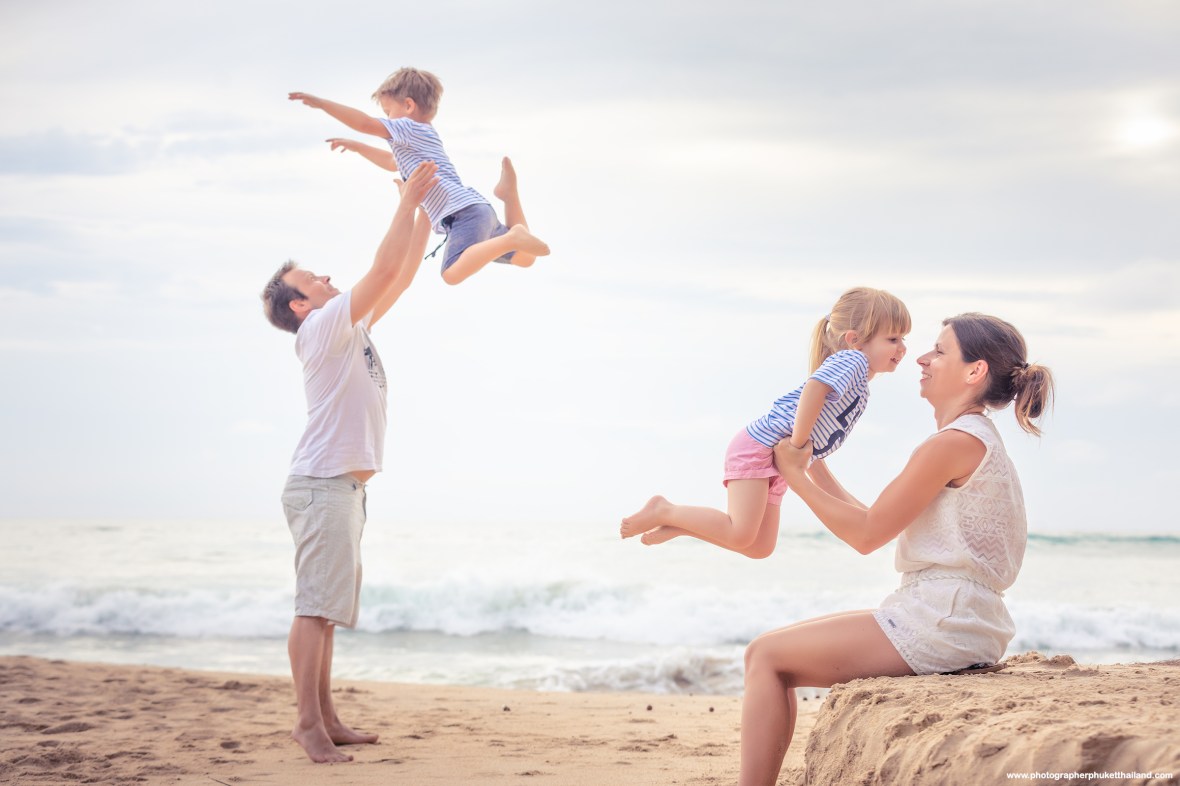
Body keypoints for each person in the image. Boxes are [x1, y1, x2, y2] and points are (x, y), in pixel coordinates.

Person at [738, 313, 1054, 786]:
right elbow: (875, 518)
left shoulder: (953, 443)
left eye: (939, 351)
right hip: (954, 613)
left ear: (975, 372)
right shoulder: (971, 439)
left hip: (943, 618)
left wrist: (796, 475)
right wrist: (812, 465)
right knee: (766, 653)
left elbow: (866, 536)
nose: (922, 359)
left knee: (766, 656)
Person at [259, 162, 439, 763]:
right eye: (313, 277)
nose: (327, 276)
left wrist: (416, 208)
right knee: (314, 607)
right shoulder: (319, 332)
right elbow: (383, 268)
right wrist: (407, 198)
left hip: (342, 489)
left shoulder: (346, 327)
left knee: (327, 609)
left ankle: (327, 717)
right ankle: (307, 725)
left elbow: (402, 276)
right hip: (322, 485)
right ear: (302, 305)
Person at [620, 287, 911, 559]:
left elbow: (816, 465)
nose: (902, 348)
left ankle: (683, 526)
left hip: (776, 460)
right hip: (758, 447)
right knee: (740, 533)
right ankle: (665, 510)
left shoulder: (858, 385)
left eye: (903, 339)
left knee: (760, 547)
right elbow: (814, 388)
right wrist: (797, 442)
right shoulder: (853, 360)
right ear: (854, 339)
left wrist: (869, 518)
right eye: (893, 339)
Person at [288, 67, 549, 285]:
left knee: (452, 273)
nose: (387, 120)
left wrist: (323, 105)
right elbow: (391, 162)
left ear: (409, 106)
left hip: (462, 214)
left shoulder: (407, 127)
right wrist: (358, 148)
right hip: (476, 209)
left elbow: (366, 124)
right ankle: (509, 197)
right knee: (525, 258)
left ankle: (513, 236)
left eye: (388, 112)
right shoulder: (420, 139)